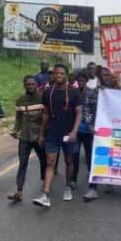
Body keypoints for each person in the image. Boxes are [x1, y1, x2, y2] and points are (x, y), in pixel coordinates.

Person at [33, 64, 83, 207]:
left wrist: (74, 131)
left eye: (61, 73)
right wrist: (41, 133)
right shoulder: (48, 92)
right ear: (53, 75)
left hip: (69, 134)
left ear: (66, 75)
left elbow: (79, 113)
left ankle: (67, 187)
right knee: (50, 163)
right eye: (56, 73)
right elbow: (46, 114)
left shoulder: (74, 93)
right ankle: (45, 194)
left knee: (69, 161)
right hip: (53, 133)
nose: (58, 76)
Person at [7, 75, 47, 203]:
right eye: (27, 84)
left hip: (39, 136)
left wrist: (45, 134)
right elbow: (19, 118)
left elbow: (47, 117)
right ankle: (19, 192)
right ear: (24, 85)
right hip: (25, 137)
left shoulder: (43, 98)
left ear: (36, 84)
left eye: (32, 84)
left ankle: (45, 184)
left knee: (44, 161)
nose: (30, 86)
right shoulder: (20, 100)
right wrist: (15, 130)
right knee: (23, 163)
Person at [83, 68, 117, 201]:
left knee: (112, 156)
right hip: (98, 131)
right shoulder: (92, 92)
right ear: (99, 77)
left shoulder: (117, 93)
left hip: (114, 130)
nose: (106, 77)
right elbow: (87, 109)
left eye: (108, 74)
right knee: (95, 158)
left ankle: (110, 180)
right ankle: (93, 188)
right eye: (104, 75)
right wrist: (90, 124)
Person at [72, 71, 93, 191]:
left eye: (82, 81)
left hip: (88, 131)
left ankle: (91, 177)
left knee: (89, 155)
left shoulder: (92, 93)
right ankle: (73, 179)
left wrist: (91, 123)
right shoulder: (73, 93)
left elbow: (93, 110)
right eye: (78, 81)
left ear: (86, 81)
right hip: (76, 130)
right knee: (74, 155)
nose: (80, 83)